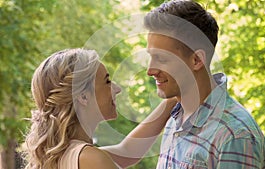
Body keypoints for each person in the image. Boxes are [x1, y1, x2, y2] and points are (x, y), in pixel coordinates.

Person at [104, 0, 265, 168]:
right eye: (151, 57)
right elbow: (125, 152)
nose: (150, 70)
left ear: (196, 60)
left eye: (161, 59)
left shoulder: (233, 136)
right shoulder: (175, 120)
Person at [24, 48, 177, 169]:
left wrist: (173, 99)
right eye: (107, 81)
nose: (117, 89)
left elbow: (128, 152)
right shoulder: (90, 159)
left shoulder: (63, 154)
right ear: (83, 96)